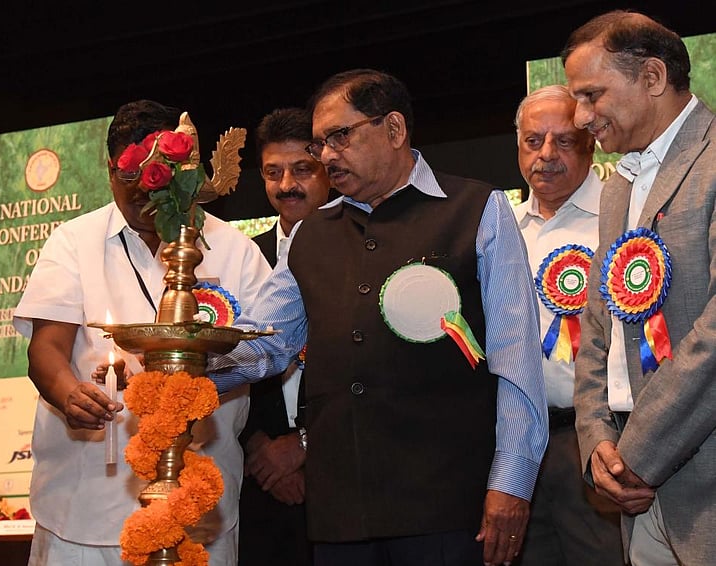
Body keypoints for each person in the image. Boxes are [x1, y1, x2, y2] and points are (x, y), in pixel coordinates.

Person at [211, 69, 548, 566]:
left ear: (393, 129)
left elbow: (515, 361)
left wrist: (511, 485)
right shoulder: (311, 235)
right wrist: (183, 359)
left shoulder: (478, 210)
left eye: (339, 136)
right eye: (321, 142)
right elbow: (265, 343)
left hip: (449, 508)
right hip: (341, 514)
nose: (325, 155)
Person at [13, 99, 272, 566]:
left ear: (181, 168)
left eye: (151, 175)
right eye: (123, 176)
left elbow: (264, 352)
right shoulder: (74, 241)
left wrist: (185, 383)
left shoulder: (236, 251)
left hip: (199, 513)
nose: (137, 192)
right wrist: (70, 393)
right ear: (109, 168)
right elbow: (46, 349)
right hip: (85, 508)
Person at [563, 10, 716, 565]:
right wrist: (597, 442)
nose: (581, 118)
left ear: (652, 77)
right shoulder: (617, 185)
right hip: (631, 481)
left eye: (592, 95)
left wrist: (636, 455)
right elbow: (597, 325)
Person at [511, 85, 623, 565]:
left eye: (564, 140)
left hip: (601, 439)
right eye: (533, 141)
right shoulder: (504, 228)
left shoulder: (622, 218)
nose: (546, 155)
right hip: (518, 446)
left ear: (590, 144)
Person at [239, 107, 331, 566]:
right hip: (260, 481)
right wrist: (261, 448)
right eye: (273, 172)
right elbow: (232, 359)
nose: (286, 185)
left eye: (302, 169)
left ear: (328, 167)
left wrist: (305, 447)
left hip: (342, 472)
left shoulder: (362, 249)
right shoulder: (243, 259)